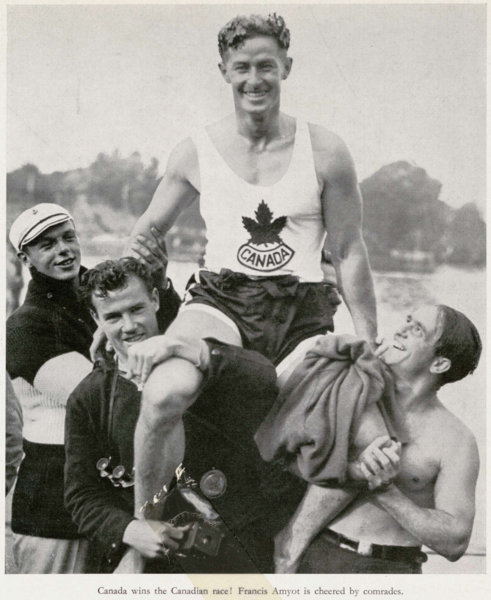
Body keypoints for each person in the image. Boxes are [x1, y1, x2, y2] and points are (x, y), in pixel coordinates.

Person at [124, 12, 378, 522]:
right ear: (223, 70)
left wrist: (369, 338)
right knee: (163, 394)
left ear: (287, 66)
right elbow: (145, 231)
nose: (255, 79)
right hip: (221, 300)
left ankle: (294, 544)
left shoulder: (326, 151)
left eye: (266, 66)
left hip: (301, 306)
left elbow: (349, 251)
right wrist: (120, 306)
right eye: (242, 67)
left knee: (358, 422)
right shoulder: (196, 151)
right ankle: (144, 527)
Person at [65, 258, 304, 573]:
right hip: (157, 549)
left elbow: (263, 377)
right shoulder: (90, 397)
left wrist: (187, 348)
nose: (129, 326)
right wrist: (129, 530)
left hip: (235, 539)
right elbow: (81, 494)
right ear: (95, 317)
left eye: (136, 309)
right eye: (113, 316)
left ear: (154, 299)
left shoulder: (192, 358)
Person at [6, 203, 179, 573]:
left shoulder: (102, 296)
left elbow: (153, 334)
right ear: (26, 258)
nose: (63, 250)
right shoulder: (25, 327)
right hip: (53, 511)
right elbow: (101, 401)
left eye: (68, 237)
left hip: (114, 508)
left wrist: (159, 286)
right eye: (47, 245)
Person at [273, 305, 482, 574]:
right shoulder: (348, 389)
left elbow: (456, 542)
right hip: (319, 554)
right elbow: (285, 459)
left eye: (418, 330)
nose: (401, 329)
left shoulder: (456, 440)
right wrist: (353, 470)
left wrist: (386, 491)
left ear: (439, 364)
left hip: (390, 569)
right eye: (407, 320)